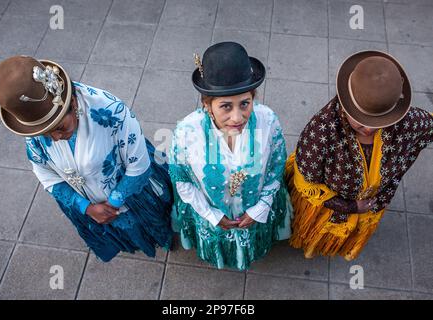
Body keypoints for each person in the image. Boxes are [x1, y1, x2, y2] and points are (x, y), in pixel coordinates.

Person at [0, 56, 174, 262]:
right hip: (90, 204)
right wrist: (85, 207)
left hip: (129, 193)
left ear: (73, 102)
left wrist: (113, 203)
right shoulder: (35, 123)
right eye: (45, 133)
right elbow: (43, 171)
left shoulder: (112, 111)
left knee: (155, 222)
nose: (56, 138)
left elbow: (138, 166)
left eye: (60, 127)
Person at [286, 50, 433, 260]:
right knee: (318, 236)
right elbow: (306, 184)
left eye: (379, 122)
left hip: (372, 204)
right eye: (360, 120)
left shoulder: (408, 122)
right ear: (345, 105)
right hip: (328, 207)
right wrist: (350, 206)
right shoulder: (320, 131)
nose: (368, 129)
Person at [169, 42, 293, 270]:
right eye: (226, 106)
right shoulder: (186, 133)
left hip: (254, 211)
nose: (237, 117)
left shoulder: (268, 121)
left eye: (245, 103)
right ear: (207, 104)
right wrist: (212, 215)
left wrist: (260, 208)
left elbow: (276, 168)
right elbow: (182, 181)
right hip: (212, 215)